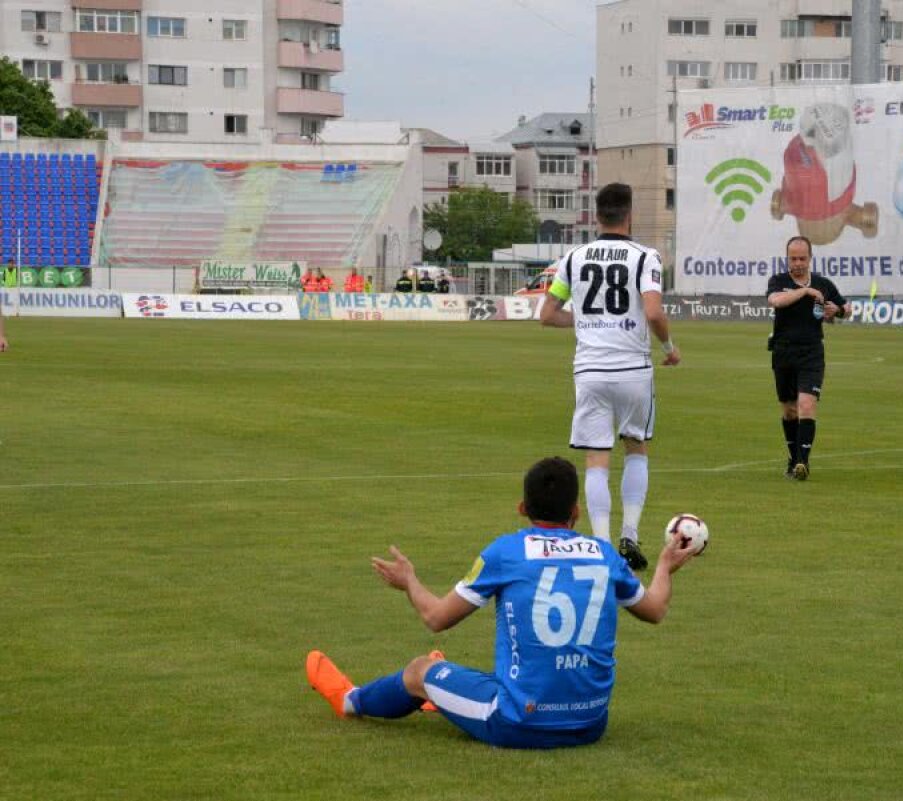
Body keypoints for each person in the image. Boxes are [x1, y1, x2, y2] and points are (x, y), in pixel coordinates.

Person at [305, 457, 694, 749]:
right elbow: (656, 610)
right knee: (490, 675)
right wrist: (663, 566)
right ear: (576, 511)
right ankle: (441, 695)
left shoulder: (507, 552)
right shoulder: (604, 554)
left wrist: (409, 581)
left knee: (419, 671)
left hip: (520, 723)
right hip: (591, 724)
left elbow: (436, 617)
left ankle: (350, 701)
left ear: (522, 509)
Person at [539, 183, 680, 571]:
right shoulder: (644, 257)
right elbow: (653, 313)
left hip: (590, 369)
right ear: (629, 214)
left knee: (596, 460)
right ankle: (629, 535)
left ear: (596, 215)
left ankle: (600, 544)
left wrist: (586, 323)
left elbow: (547, 313)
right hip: (633, 369)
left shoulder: (574, 257)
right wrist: (669, 349)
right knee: (636, 447)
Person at [765, 236, 850, 481]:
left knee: (806, 405)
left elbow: (847, 308)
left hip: (812, 353)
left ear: (810, 258)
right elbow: (776, 301)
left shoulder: (823, 284)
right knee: (789, 410)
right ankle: (793, 459)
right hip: (783, 352)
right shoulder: (779, 281)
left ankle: (803, 462)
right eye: (794, 258)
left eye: (803, 258)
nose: (798, 263)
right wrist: (804, 292)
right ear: (787, 259)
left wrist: (839, 310)